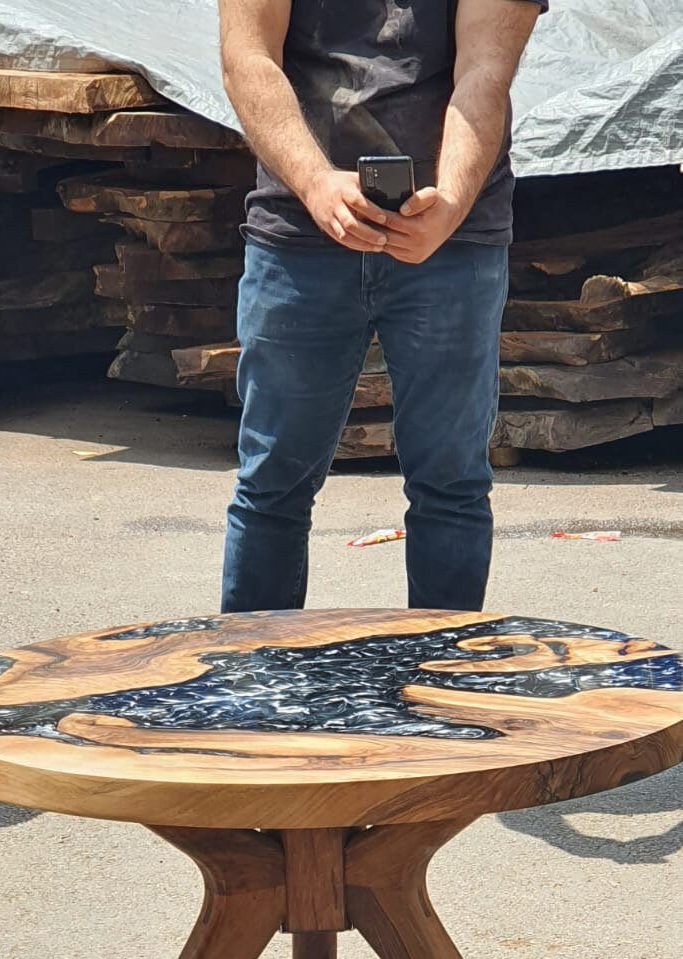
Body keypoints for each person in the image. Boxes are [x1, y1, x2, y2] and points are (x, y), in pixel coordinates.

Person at [219, 0, 546, 613]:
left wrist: (448, 202)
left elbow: (485, 71)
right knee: (272, 485)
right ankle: (253, 694)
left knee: (451, 486)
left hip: (452, 236)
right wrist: (316, 183)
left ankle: (437, 688)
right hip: (298, 228)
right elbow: (248, 60)